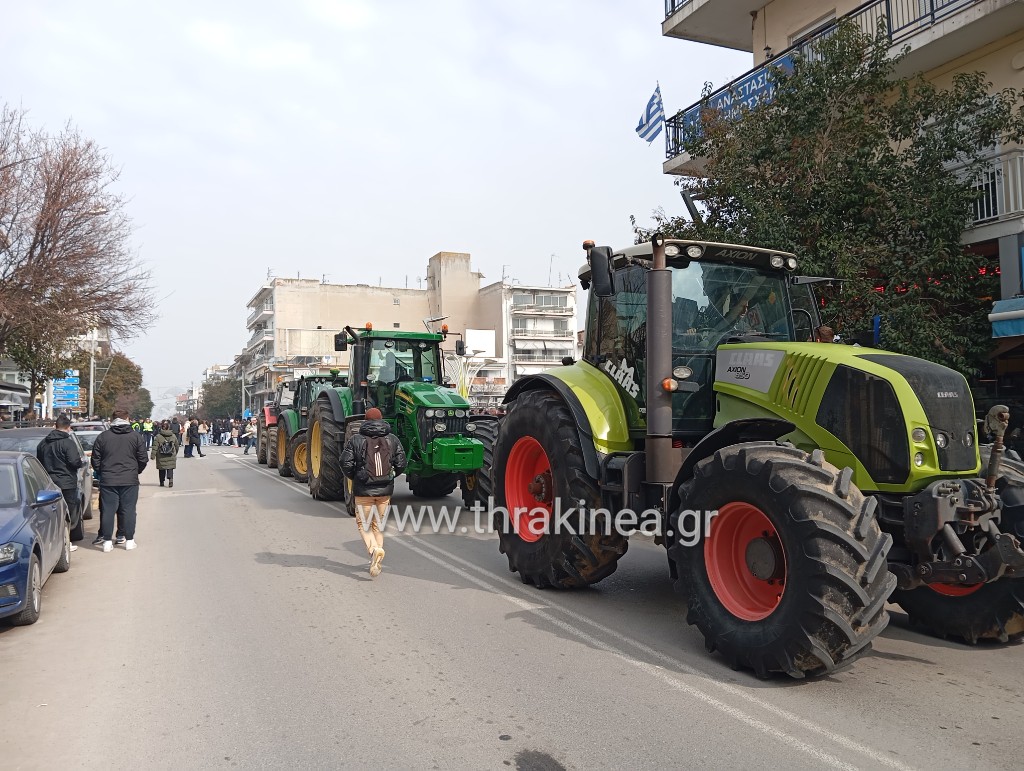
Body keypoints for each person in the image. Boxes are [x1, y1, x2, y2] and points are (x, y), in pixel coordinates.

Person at [340, 407, 406, 577]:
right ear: (381, 419)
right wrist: (390, 476)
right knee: (377, 525)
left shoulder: (356, 439)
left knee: (363, 524)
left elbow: (345, 462)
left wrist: (355, 477)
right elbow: (401, 463)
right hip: (385, 491)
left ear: (365, 420)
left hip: (364, 491)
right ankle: (376, 562)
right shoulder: (392, 439)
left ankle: (374, 550)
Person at [91, 409, 148, 552]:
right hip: (129, 479)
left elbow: (95, 460)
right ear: (127, 419)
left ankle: (107, 542)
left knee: (108, 511)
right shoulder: (136, 437)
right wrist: (135, 471)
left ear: (112, 420)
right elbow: (143, 459)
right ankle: (129, 540)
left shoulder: (103, 437)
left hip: (108, 479)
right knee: (129, 510)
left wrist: (102, 472)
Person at [36, 413, 87, 550]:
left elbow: (39, 463)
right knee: (67, 512)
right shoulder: (68, 443)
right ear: (68, 428)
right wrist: (81, 463)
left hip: (48, 484)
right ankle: (66, 541)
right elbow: (74, 462)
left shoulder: (43, 444)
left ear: (55, 426)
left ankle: (53, 543)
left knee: (52, 514)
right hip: (67, 483)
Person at [151, 420, 179, 487]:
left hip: (161, 455)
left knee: (161, 469)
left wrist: (153, 455)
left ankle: (162, 481)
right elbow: (176, 445)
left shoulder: (158, 436)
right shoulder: (173, 435)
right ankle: (170, 480)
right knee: (170, 468)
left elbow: (155, 446)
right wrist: (175, 452)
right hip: (171, 454)